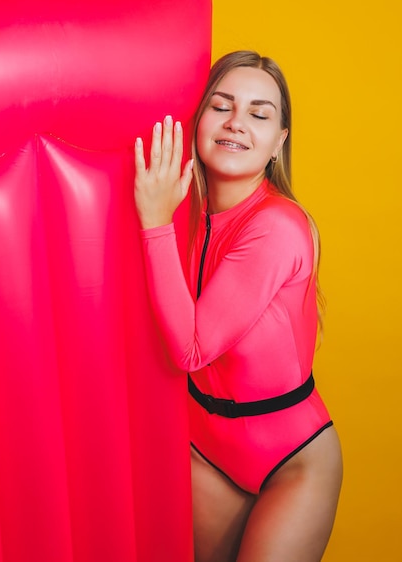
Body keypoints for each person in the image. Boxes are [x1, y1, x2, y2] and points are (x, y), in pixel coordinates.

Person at [134, 50, 342, 562]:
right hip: (204, 448)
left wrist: (153, 221)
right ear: (198, 118)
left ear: (279, 141)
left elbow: (192, 350)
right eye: (221, 105)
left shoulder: (278, 226)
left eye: (259, 113)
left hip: (291, 462)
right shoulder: (187, 211)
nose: (235, 123)